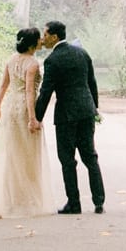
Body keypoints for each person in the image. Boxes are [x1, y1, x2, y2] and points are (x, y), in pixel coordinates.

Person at [0, 27, 55, 218]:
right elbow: (29, 91)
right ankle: (23, 200)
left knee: (11, 152)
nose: (41, 42)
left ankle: (8, 199)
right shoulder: (33, 64)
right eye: (38, 39)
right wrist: (33, 118)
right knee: (26, 154)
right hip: (24, 109)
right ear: (32, 43)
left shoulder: (11, 60)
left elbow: (3, 85)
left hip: (10, 107)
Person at [34, 19, 105, 214]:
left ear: (54, 36)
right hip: (86, 111)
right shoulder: (82, 53)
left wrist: (36, 117)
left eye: (46, 34)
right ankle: (99, 202)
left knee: (67, 159)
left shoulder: (52, 60)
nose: (43, 38)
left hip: (66, 115)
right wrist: (94, 108)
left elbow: (46, 92)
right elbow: (92, 83)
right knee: (90, 157)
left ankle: (74, 203)